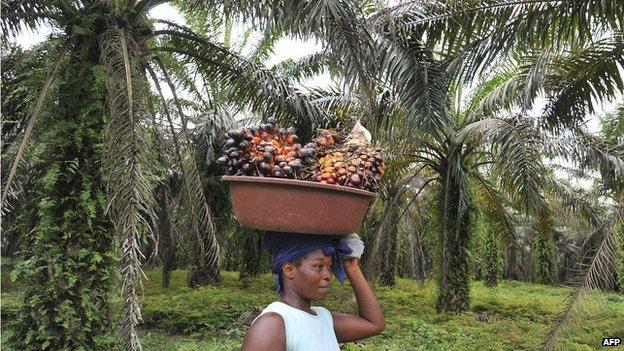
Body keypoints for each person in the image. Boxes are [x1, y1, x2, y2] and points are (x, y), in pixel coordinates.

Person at [241, 231, 386, 351]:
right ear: (289, 270)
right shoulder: (272, 325)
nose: (328, 275)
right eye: (318, 266)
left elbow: (374, 323)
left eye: (330, 266)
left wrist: (352, 268)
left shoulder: (323, 318)